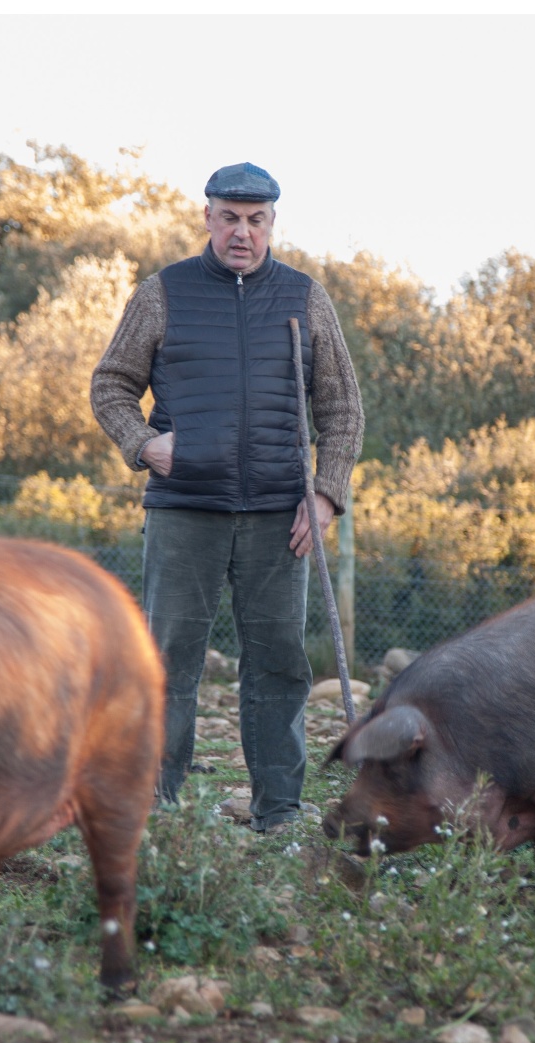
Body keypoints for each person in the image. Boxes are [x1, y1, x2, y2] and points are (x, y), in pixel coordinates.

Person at [90, 162, 364, 833]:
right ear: (208, 218)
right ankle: (157, 810)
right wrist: (144, 446)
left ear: (272, 222)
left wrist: (325, 495)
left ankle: (278, 813)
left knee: (278, 666)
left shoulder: (305, 298)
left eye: (256, 219)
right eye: (230, 217)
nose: (243, 231)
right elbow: (110, 385)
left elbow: (342, 407)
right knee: (168, 663)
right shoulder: (164, 294)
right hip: (185, 510)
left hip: (280, 515)